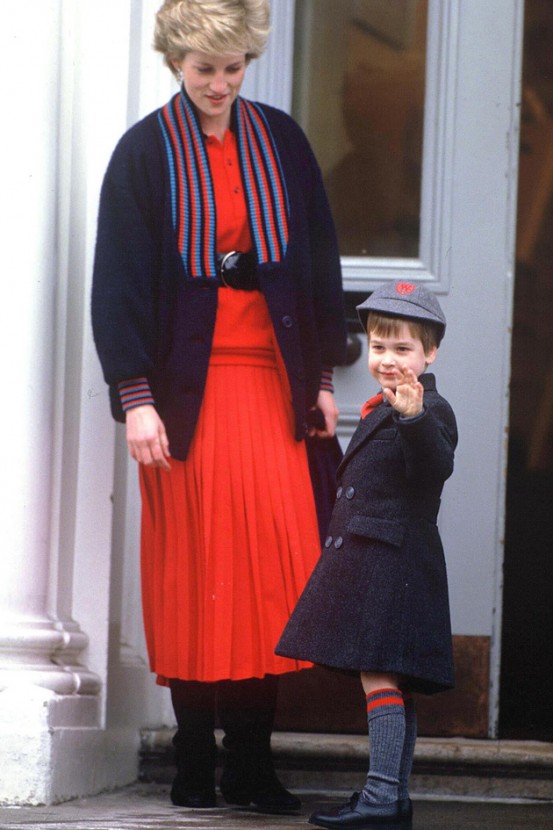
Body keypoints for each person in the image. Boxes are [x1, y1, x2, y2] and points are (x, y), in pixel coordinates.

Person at [91, 0, 346, 814]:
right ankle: (193, 761)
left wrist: (320, 379)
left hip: (272, 389)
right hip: (183, 402)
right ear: (175, 61)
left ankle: (249, 763)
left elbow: (317, 265)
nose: (219, 83)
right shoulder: (144, 152)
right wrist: (136, 399)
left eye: (232, 68)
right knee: (194, 573)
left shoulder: (282, 141)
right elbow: (118, 285)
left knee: (269, 574)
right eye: (204, 68)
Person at [276, 282, 457, 829]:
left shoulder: (429, 409)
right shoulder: (381, 405)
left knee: (380, 678)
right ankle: (391, 798)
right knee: (390, 680)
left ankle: (381, 797)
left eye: (403, 348)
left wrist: (413, 418)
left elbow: (434, 467)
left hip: (393, 564)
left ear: (430, 353)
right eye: (379, 347)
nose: (388, 359)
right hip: (377, 563)